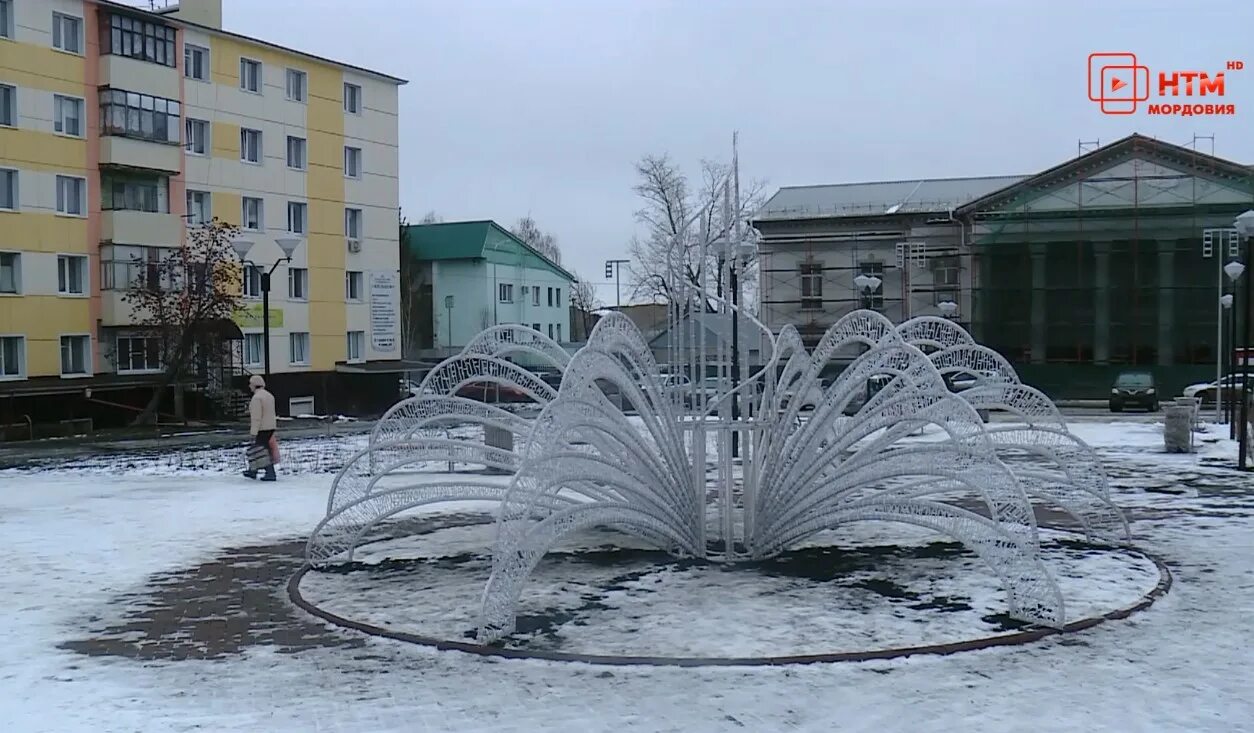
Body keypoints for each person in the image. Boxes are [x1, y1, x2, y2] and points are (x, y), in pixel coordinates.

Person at [243, 374, 278, 481]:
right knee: (263, 449)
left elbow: (256, 417)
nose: (249, 386)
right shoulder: (269, 395)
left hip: (262, 427)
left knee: (260, 450)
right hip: (271, 426)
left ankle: (269, 473)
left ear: (254, 385)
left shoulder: (257, 398)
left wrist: (253, 432)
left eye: (250, 384)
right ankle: (254, 470)